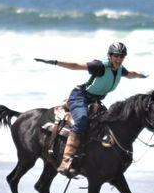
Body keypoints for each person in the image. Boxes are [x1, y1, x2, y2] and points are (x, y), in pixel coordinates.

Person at [35, 42, 148, 176]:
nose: (119, 59)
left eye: (122, 57)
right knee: (82, 122)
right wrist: (55, 62)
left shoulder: (119, 69)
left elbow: (130, 74)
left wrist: (141, 75)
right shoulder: (99, 66)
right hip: (80, 97)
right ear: (110, 56)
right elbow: (76, 66)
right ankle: (66, 161)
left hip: (95, 101)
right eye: (116, 56)